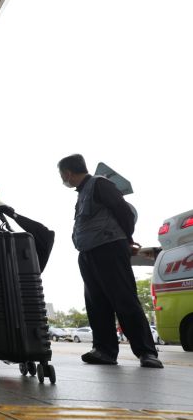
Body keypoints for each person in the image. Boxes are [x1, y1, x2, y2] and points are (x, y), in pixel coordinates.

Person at [58, 154, 162, 368]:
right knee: (97, 304)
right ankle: (104, 351)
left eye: (62, 175)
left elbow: (124, 211)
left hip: (109, 249)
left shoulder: (100, 184)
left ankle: (146, 352)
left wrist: (126, 240)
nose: (63, 179)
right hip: (88, 253)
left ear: (67, 173)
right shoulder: (83, 193)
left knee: (124, 299)